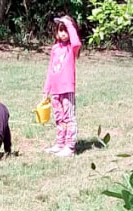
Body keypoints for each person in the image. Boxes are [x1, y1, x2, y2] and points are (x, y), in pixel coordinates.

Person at [43, 15, 81, 158]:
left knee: (69, 117)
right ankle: (60, 144)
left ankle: (69, 147)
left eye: (66, 30)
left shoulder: (72, 48)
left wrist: (67, 23)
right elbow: (50, 70)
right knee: (59, 118)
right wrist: (46, 89)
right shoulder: (55, 49)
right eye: (60, 30)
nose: (63, 33)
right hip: (55, 90)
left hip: (67, 88)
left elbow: (76, 41)